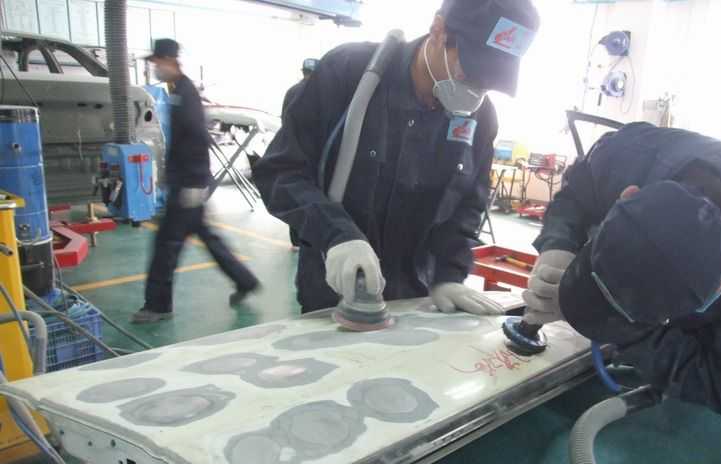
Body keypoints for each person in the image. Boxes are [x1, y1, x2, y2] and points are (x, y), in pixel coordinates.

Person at [255, 0, 539, 314]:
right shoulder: (349, 73)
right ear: (438, 30)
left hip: (416, 300)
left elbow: (468, 205)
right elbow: (281, 171)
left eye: (491, 80)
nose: (477, 89)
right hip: (333, 292)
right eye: (471, 71)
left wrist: (449, 275)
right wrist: (336, 234)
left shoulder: (480, 119)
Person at [523, 122, 721, 416]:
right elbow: (579, 192)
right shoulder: (629, 154)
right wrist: (558, 243)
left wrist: (629, 337)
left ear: (718, 288)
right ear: (628, 195)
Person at [132, 39, 260, 324]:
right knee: (209, 238)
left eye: (157, 62)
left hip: (188, 185)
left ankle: (158, 306)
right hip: (187, 183)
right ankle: (245, 280)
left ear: (170, 61)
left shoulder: (185, 93)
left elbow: (197, 138)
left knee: (166, 246)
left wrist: (193, 183)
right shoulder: (178, 90)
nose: (155, 68)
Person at [281, 58, 319, 249]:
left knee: (295, 193)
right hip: (312, 152)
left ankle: (295, 240)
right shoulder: (319, 92)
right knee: (311, 194)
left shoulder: (291, 91)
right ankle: (307, 238)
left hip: (292, 150)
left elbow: (284, 120)